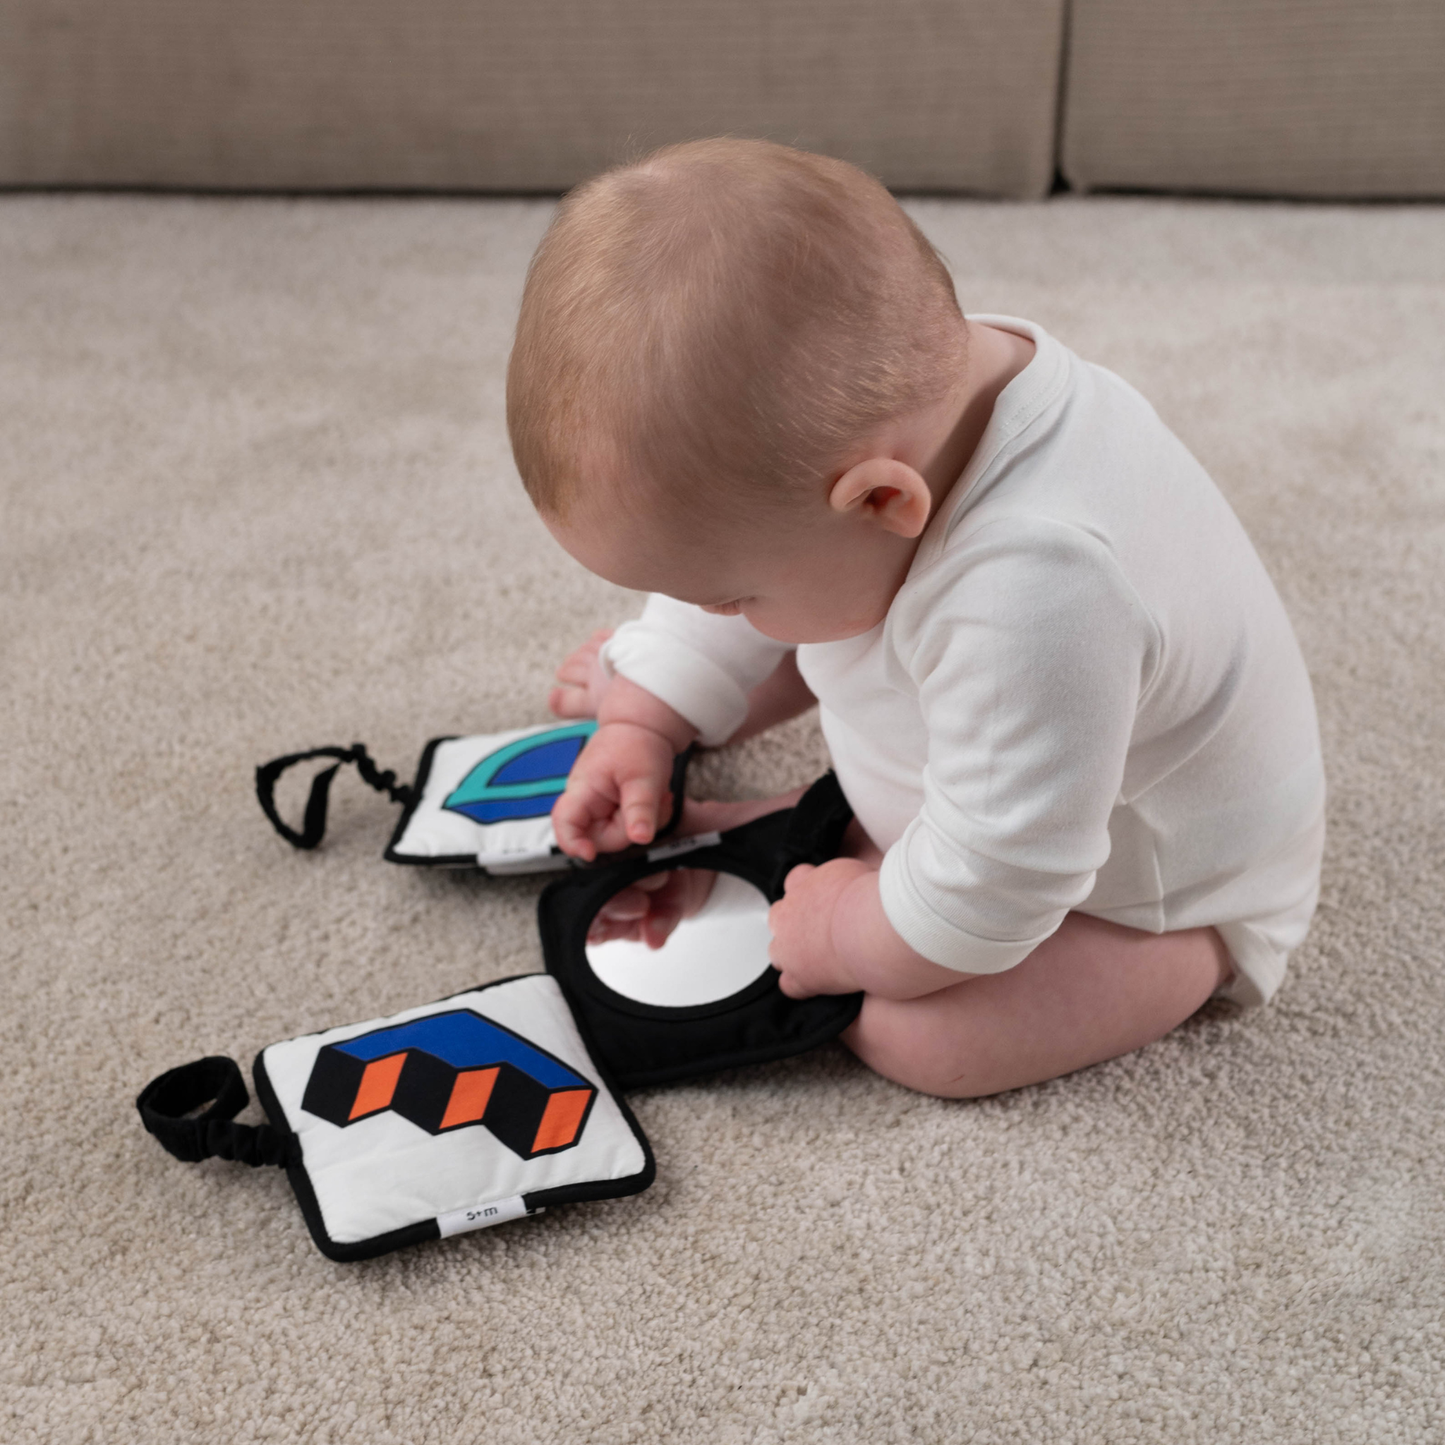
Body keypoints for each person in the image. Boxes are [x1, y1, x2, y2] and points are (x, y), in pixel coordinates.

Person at [504, 138, 1325, 1098]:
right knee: (803, 610)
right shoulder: (904, 397)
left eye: (723, 598)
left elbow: (1000, 877)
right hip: (1020, 752)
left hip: (1146, 890)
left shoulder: (1039, 589)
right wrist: (648, 710)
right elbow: (780, 573)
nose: (709, 611)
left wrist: (849, 933)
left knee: (922, 1037)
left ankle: (1195, 964)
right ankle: (854, 828)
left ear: (880, 502)